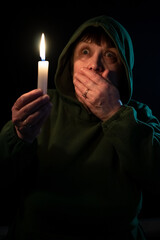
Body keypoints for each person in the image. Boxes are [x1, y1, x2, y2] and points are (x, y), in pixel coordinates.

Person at [0, 15, 160, 240]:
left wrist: (114, 114)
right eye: (85, 52)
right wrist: (19, 136)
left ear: (124, 73)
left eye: (110, 55)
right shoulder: (40, 108)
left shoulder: (139, 115)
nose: (95, 64)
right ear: (70, 63)